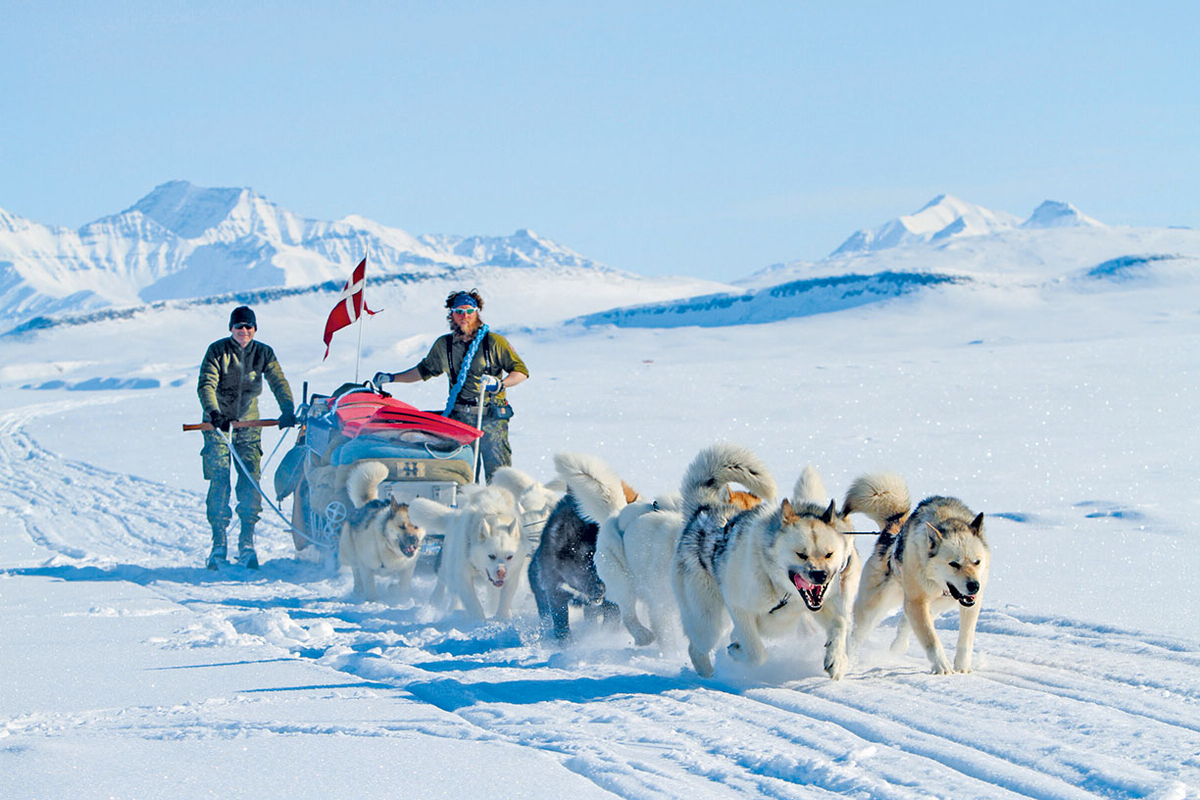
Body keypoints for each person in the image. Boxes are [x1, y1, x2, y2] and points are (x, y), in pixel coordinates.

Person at [373, 289, 528, 482]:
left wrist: (500, 384)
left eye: (469, 311)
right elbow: (423, 371)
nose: (465, 316)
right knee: (463, 472)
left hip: (491, 419)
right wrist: (392, 378)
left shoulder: (493, 342)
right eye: (459, 311)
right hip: (460, 419)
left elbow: (520, 371)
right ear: (451, 314)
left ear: (477, 312)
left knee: (498, 474)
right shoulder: (444, 345)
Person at [197, 305, 295, 570]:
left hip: (249, 425)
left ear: (255, 328)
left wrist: (288, 409)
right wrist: (213, 412)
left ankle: (247, 541)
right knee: (219, 480)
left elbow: (278, 381)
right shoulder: (217, 350)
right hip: (218, 426)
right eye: (238, 326)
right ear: (231, 328)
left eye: (248, 326)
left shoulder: (264, 352)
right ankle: (219, 543)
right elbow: (206, 383)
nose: (243, 331)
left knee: (250, 482)